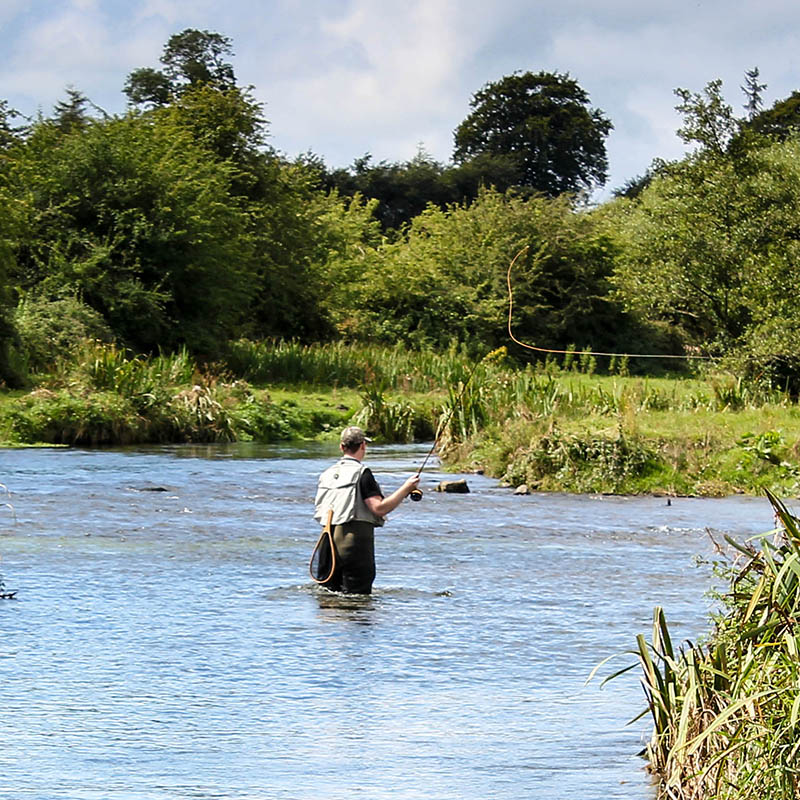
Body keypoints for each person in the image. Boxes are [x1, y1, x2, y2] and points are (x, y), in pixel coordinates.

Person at [313, 426, 419, 594]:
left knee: (328, 600)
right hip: (353, 545)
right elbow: (379, 508)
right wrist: (406, 488)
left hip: (326, 544)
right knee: (357, 600)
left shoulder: (326, 474)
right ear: (363, 446)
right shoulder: (362, 473)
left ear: (342, 447)